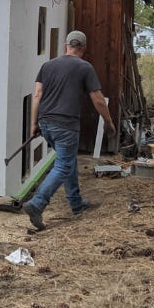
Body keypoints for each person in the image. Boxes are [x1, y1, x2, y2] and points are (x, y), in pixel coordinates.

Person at [22, 30, 115, 231]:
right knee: (64, 165)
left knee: (68, 160)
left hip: (46, 123)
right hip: (65, 125)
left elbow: (37, 95)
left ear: (66, 45)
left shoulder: (47, 66)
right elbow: (98, 99)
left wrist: (34, 125)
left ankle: (75, 203)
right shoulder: (84, 67)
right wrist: (108, 122)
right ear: (83, 48)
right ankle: (38, 204)